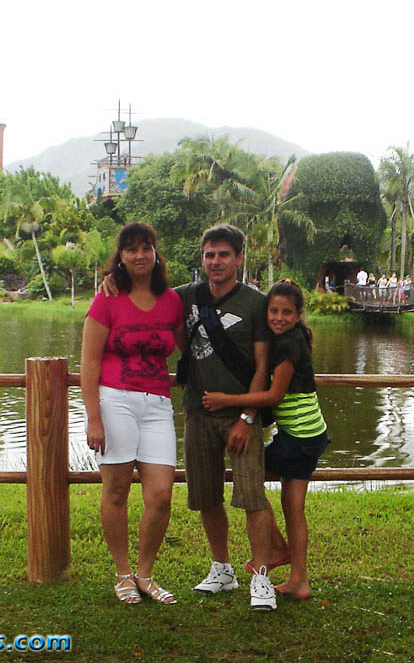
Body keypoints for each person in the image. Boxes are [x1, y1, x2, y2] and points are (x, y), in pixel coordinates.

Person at [101, 224, 278, 609]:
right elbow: (142, 284)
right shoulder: (184, 296)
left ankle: (262, 577)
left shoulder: (255, 302)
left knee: (252, 496)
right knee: (206, 496)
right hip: (197, 411)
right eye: (210, 255)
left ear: (239, 258)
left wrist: (249, 416)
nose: (216, 262)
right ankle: (222, 567)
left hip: (241, 417)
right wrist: (109, 280)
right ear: (202, 259)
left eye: (224, 255)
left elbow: (263, 366)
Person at [202, 280, 329, 601]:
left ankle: (276, 551)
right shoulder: (292, 338)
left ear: (299, 315)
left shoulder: (287, 345)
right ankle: (298, 578)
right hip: (310, 434)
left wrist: (225, 400)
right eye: (273, 310)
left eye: (287, 312)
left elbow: (274, 394)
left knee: (252, 479)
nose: (279, 317)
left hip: (299, 438)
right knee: (293, 508)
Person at [81, 222, 185, 604]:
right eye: (131, 249)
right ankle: (123, 574)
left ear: (156, 253)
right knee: (117, 490)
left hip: (157, 404)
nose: (139, 255)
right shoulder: (105, 300)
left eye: (146, 248)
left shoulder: (173, 300)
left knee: (160, 495)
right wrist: (94, 417)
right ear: (120, 257)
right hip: (115, 402)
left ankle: (145, 574)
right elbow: (89, 363)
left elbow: (184, 341)